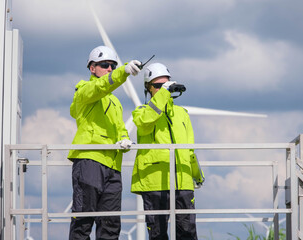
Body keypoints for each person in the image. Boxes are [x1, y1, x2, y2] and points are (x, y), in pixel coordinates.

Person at [67, 45, 141, 240]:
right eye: (105, 65)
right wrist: (122, 71)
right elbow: (100, 87)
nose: (110, 69)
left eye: (113, 65)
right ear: (92, 68)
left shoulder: (114, 102)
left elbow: (119, 127)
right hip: (89, 160)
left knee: (110, 224)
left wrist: (124, 137)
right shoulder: (84, 90)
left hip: (112, 166)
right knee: (83, 220)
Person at [131, 63, 204, 240]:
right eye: (157, 86)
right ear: (148, 88)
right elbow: (148, 120)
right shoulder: (141, 112)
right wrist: (163, 94)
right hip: (155, 182)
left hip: (183, 182)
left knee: (187, 233)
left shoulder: (182, 113)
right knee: (157, 234)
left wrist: (196, 175)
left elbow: (189, 150)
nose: (163, 89)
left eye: (165, 85)